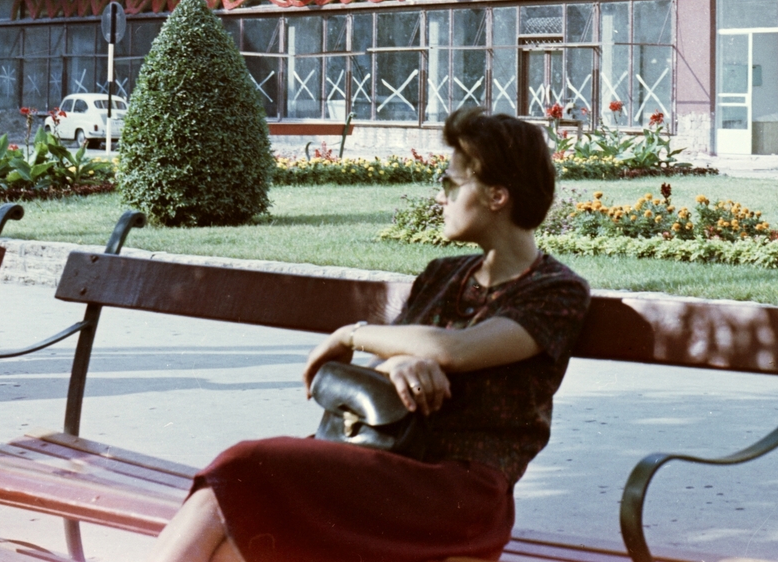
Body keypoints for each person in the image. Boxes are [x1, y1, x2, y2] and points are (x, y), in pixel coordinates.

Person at [149, 107, 591, 562]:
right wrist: (401, 362)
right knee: (230, 530)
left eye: (450, 184)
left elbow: (455, 350)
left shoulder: (556, 291)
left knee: (242, 468)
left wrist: (352, 335)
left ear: (497, 196)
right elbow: (390, 367)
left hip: (457, 492)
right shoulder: (442, 274)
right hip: (383, 466)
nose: (440, 198)